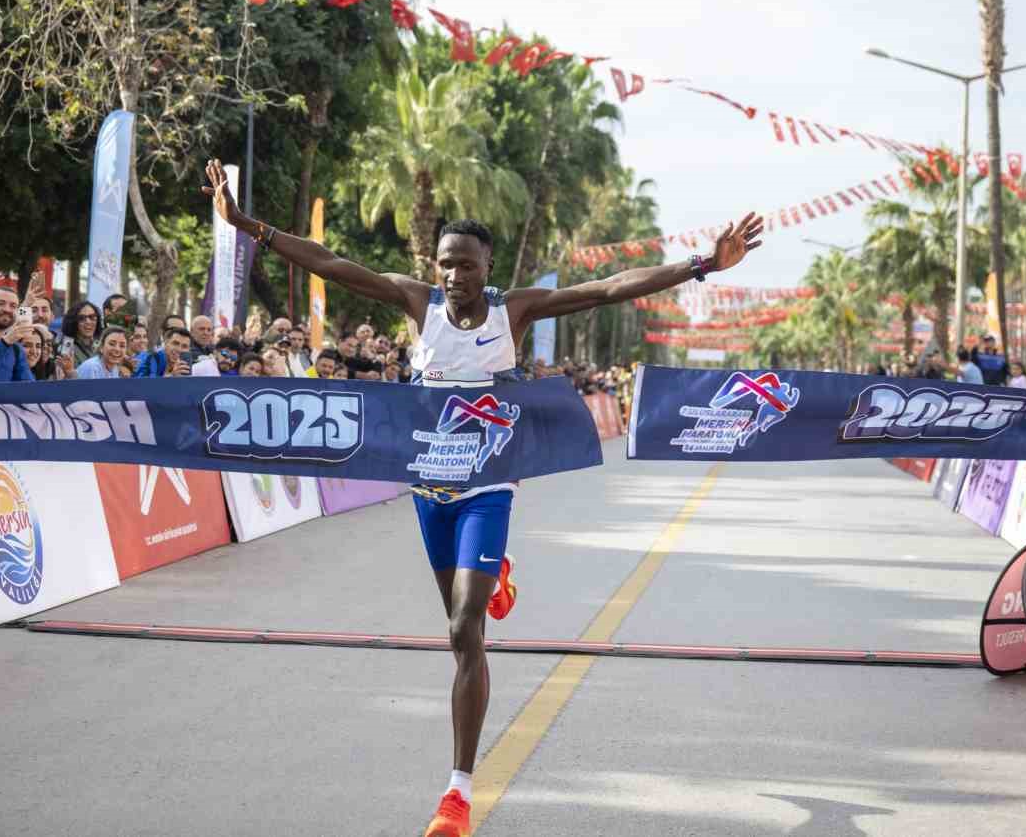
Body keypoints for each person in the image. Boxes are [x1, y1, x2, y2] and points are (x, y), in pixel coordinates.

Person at [203, 157, 761, 837]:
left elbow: (611, 286)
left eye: (465, 265)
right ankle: (497, 577)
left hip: (487, 486)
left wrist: (702, 264)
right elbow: (331, 262)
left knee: (465, 630)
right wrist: (245, 225)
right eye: (444, 263)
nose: (453, 276)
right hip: (428, 488)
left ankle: (457, 794)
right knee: (459, 624)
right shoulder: (419, 304)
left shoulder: (512, 311)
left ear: (486, 268)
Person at [60, 300, 102, 369]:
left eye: (92, 317)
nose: (88, 322)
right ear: (73, 322)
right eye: (81, 318)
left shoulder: (101, 344)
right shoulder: (67, 346)